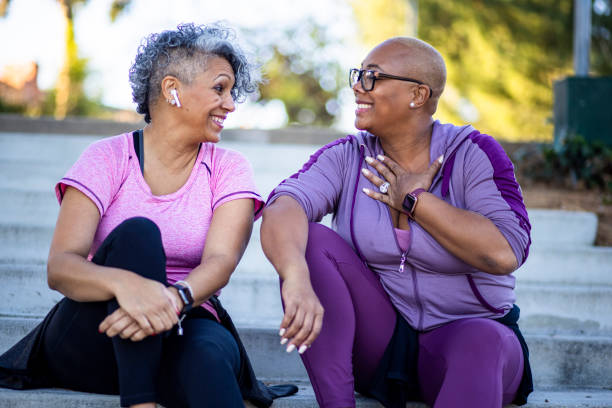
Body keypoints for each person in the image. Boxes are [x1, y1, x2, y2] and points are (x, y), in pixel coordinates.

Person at [0, 23, 295, 408]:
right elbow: (60, 268)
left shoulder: (229, 168)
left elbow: (222, 262)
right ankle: (140, 403)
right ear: (172, 89)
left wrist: (170, 300)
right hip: (96, 334)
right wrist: (129, 287)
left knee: (209, 356)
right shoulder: (105, 158)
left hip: (186, 316)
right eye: (219, 88)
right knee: (138, 234)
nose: (230, 104)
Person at [260, 37, 533, 408]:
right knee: (311, 241)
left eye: (372, 77)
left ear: (418, 95)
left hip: (472, 342)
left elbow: (505, 251)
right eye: (358, 75)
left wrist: (415, 200)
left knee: (481, 341)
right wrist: (295, 277)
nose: (357, 87)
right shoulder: (348, 156)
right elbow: (283, 206)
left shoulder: (473, 154)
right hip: (383, 348)